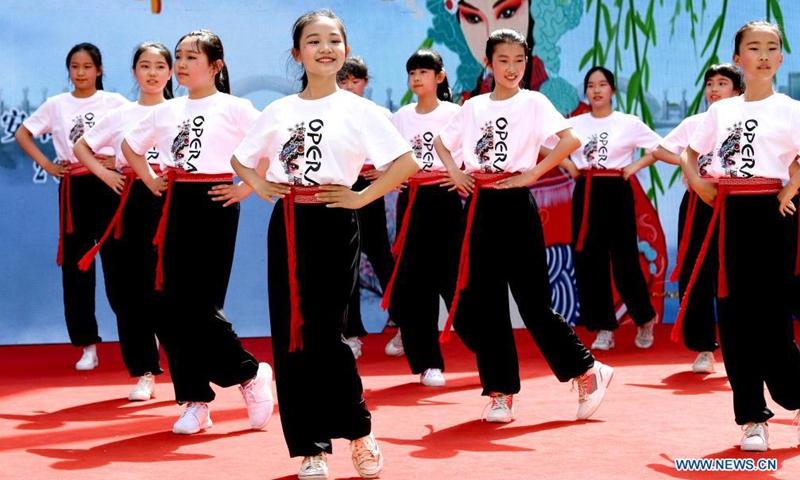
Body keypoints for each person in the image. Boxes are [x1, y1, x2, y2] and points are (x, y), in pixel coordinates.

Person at [231, 10, 418, 480]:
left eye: (334, 40)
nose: (325, 48)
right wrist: (259, 182)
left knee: (328, 335)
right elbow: (240, 156)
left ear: (346, 50)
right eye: (313, 41)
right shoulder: (279, 111)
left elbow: (405, 162)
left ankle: (358, 433)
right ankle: (310, 449)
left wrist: (361, 195)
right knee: (290, 334)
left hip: (336, 221)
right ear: (297, 54)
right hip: (288, 223)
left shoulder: (360, 110)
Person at [433, 28, 612, 424]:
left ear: (526, 61)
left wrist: (532, 174)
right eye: (503, 60)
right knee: (487, 304)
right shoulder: (474, 106)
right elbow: (443, 143)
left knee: (533, 303)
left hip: (516, 204)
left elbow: (569, 140)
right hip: (480, 205)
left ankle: (586, 370)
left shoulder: (534, 102)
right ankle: (500, 394)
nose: (512, 68)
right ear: (489, 62)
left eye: (519, 60)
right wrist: (456, 173)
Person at [121, 30, 273, 435]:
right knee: (164, 305)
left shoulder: (236, 107)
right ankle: (195, 400)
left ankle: (250, 374)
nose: (183, 64)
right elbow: (130, 146)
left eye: (192, 57)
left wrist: (246, 186)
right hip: (172, 205)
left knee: (200, 305)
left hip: (215, 204)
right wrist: (152, 179)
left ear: (216, 66)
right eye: (180, 57)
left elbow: (270, 145)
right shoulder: (165, 111)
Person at [681, 20, 800, 452]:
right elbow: (689, 153)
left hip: (775, 213)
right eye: (754, 47)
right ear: (738, 58)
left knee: (771, 319)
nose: (764, 55)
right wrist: (698, 182)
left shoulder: (791, 108)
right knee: (734, 321)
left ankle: (794, 394)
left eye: (772, 47)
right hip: (729, 215)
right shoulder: (721, 112)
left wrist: (791, 186)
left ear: (782, 58)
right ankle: (752, 418)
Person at [72, 42, 177, 400]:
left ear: (170, 72)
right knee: (124, 291)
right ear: (134, 73)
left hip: (168, 200)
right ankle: (145, 371)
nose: (151, 73)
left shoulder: (181, 111)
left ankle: (184, 365)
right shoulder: (120, 113)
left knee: (166, 286)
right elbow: (81, 146)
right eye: (144, 66)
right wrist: (105, 174)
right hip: (122, 203)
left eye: (159, 66)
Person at [15, 43, 128, 371]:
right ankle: (87, 345)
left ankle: (141, 335)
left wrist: (116, 158)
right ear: (69, 71)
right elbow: (24, 134)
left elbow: (142, 134)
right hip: (74, 189)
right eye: (75, 67)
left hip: (110, 184)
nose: (81, 72)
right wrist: (49, 165)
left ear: (99, 70)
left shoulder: (115, 102)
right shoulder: (56, 105)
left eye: (87, 66)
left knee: (121, 266)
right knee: (77, 270)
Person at [559, 66, 661, 351]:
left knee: (625, 259)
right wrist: (569, 165)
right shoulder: (575, 124)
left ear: (613, 90)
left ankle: (645, 317)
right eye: (591, 85)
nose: (596, 90)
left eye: (602, 85)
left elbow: (660, 147)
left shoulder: (628, 122)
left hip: (616, 189)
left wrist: (635, 165)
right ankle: (604, 327)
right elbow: (544, 144)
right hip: (587, 190)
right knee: (590, 262)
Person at [651, 64, 743, 374]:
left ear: (738, 90)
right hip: (698, 203)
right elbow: (659, 150)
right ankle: (704, 349)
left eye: (723, 82)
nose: (715, 89)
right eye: (710, 83)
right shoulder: (695, 123)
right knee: (697, 272)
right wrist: (689, 167)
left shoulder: (749, 121)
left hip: (740, 201)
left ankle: (742, 349)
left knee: (738, 274)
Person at [380, 49, 461, 387]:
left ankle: (488, 350)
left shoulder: (456, 114)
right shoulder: (402, 116)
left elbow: (472, 152)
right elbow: (388, 156)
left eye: (424, 71)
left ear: (439, 76)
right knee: (416, 284)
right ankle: (428, 363)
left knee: (456, 278)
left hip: (447, 198)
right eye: (412, 71)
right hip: (413, 201)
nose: (416, 77)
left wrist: (458, 174)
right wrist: (392, 177)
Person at [336, 56, 397, 359]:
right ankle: (351, 333)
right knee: (347, 263)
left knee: (380, 255)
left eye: (355, 81)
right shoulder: (329, 113)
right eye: (343, 81)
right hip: (339, 189)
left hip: (370, 190)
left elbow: (402, 155)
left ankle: (404, 321)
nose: (348, 87)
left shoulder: (380, 114)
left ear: (365, 82)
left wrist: (385, 174)